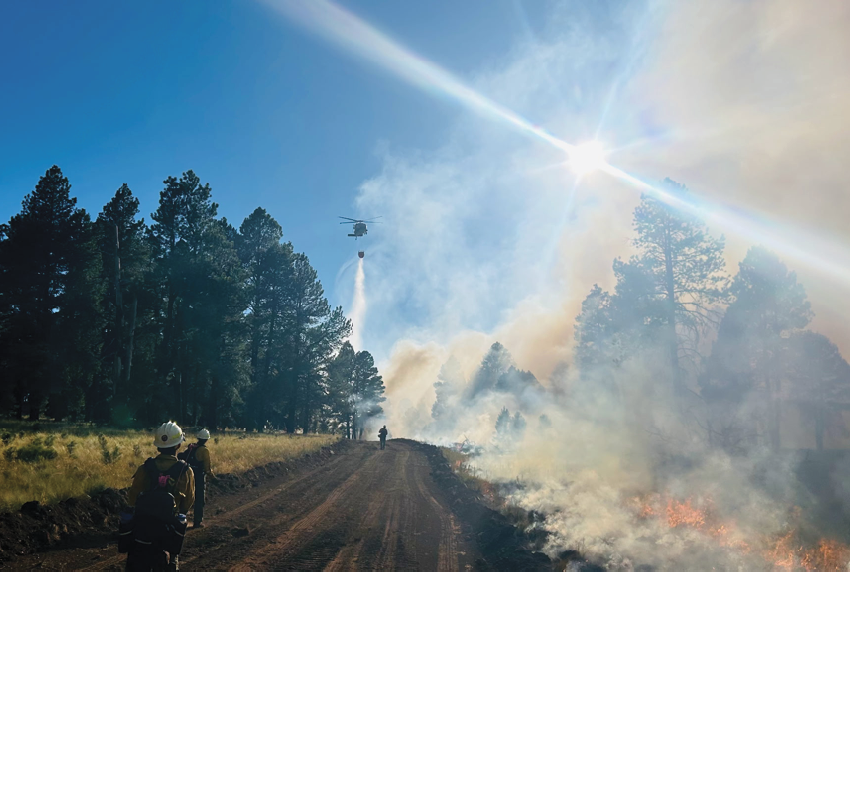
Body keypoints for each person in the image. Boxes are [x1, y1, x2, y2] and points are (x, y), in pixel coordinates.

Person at [120, 421, 195, 571]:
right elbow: (188, 502)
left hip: (141, 531)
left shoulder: (145, 468)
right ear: (178, 445)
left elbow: (132, 498)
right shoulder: (186, 471)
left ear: (158, 446)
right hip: (167, 533)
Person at [180, 428, 216, 528]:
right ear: (207, 439)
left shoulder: (192, 447)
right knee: (199, 499)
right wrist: (213, 478)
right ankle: (197, 521)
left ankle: (181, 520)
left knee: (186, 498)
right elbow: (207, 469)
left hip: (187, 476)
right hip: (199, 477)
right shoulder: (204, 450)